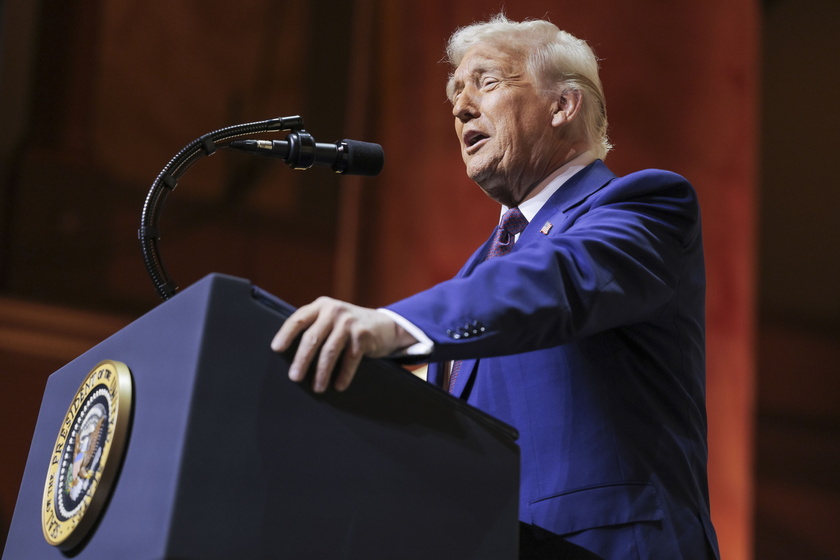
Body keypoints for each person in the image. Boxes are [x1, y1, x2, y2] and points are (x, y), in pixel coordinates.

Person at [272, 14, 720, 560]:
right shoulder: (476, 271)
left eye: (485, 82)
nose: (460, 107)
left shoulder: (645, 207)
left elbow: (558, 277)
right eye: (455, 93)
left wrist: (392, 326)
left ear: (562, 106)